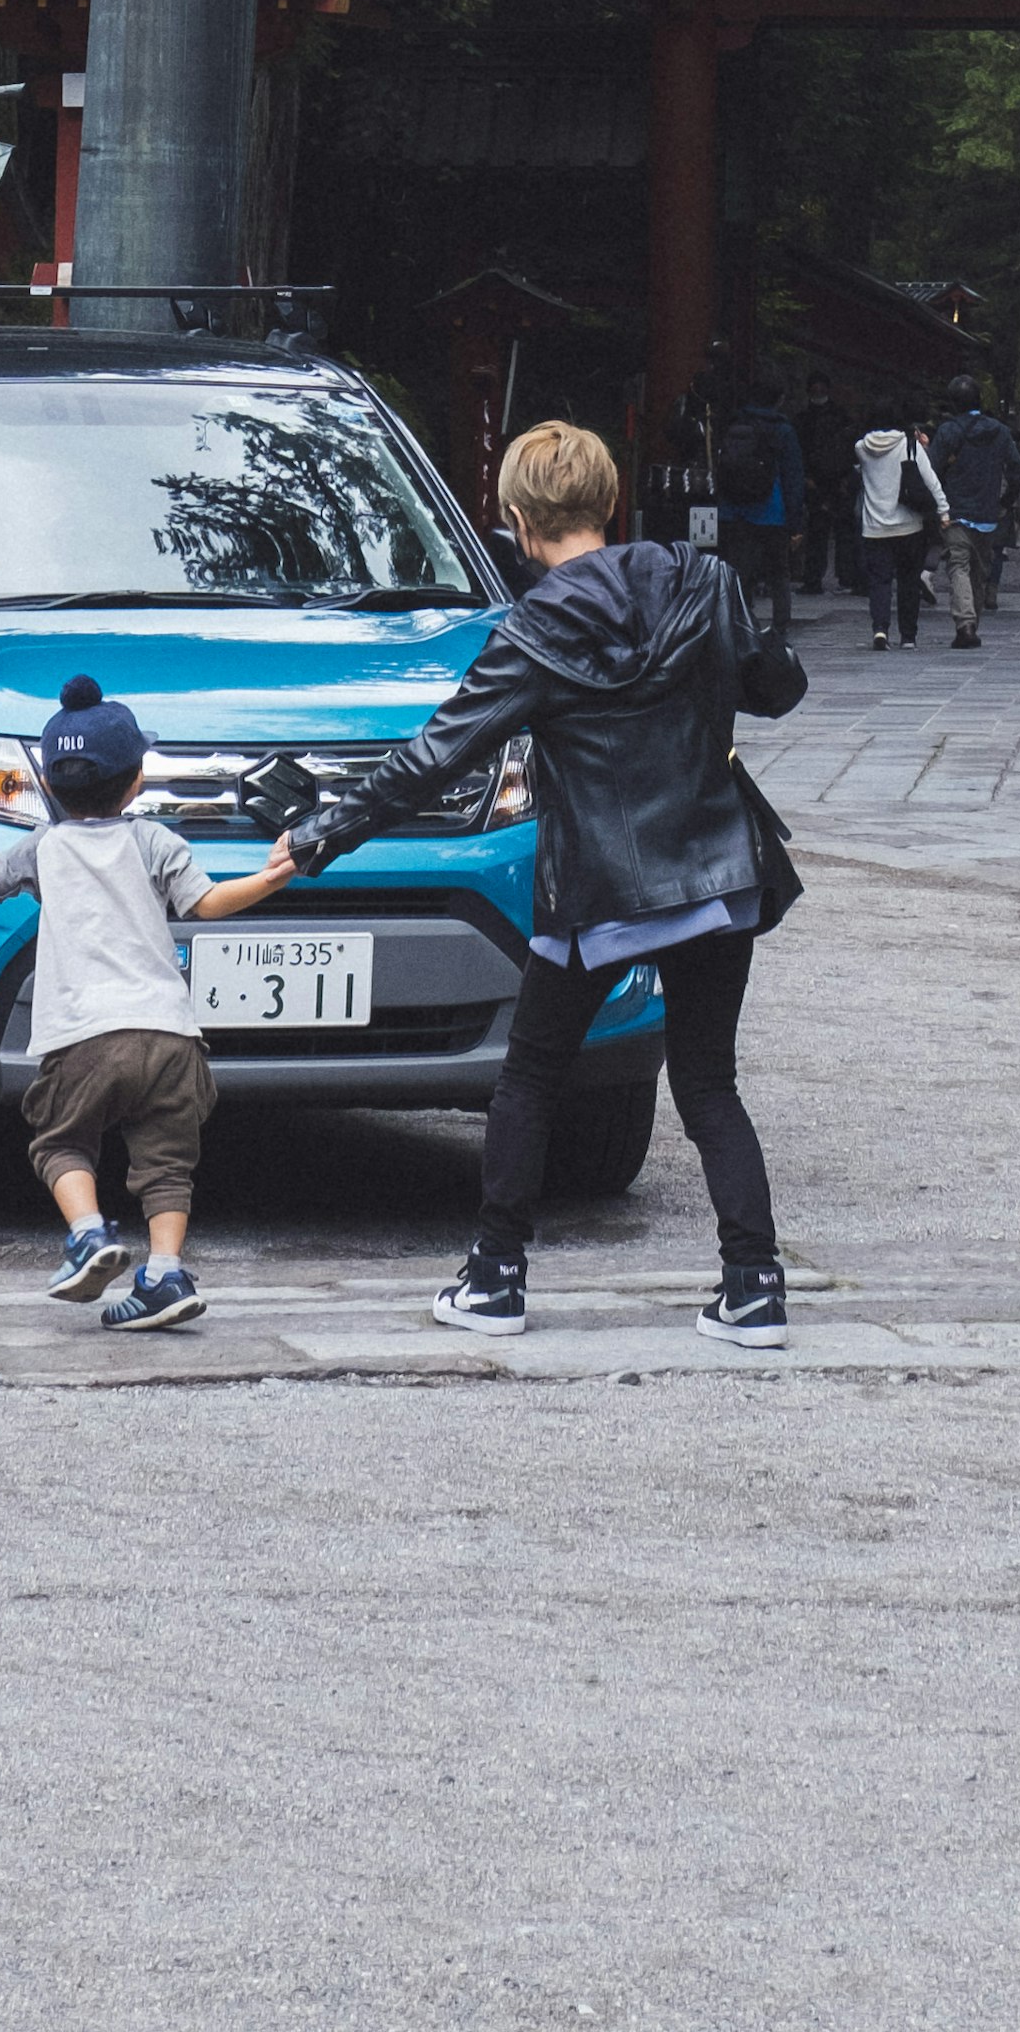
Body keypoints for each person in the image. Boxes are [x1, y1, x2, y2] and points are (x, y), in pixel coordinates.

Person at [265, 415, 808, 1345]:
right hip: (719, 874)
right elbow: (774, 688)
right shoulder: (702, 580)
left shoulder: (532, 630)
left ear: (518, 519)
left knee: (531, 1077)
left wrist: (321, 832)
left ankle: (497, 1277)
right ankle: (754, 1284)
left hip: (603, 889)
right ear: (608, 500)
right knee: (710, 1084)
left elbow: (436, 756)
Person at [0, 673, 295, 1328]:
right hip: (170, 1036)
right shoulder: (152, 840)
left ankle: (90, 1234)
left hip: (83, 1037)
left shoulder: (43, 848)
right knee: (165, 1159)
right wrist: (268, 879)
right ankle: (164, 1273)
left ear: (51, 785)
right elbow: (207, 904)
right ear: (136, 782)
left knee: (61, 1141)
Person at [851, 407, 952, 646]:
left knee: (879, 581)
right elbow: (931, 480)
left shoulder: (861, 449)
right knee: (908, 581)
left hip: (874, 526)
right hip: (909, 526)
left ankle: (880, 630)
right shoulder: (909, 445)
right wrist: (944, 510)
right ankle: (908, 636)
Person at [932, 389, 1020, 643]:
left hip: (955, 509)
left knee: (958, 565)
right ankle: (973, 622)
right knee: (980, 570)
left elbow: (933, 468)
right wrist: (1007, 500)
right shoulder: (1000, 431)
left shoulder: (948, 431)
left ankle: (965, 624)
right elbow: (1016, 468)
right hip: (988, 511)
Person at [714, 379, 799, 643]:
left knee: (739, 571)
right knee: (779, 572)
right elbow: (792, 476)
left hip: (734, 509)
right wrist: (795, 521)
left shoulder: (733, 425)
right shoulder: (783, 430)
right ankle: (780, 628)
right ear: (779, 399)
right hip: (771, 511)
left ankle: (740, 623)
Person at [797, 381, 859, 597]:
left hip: (822, 479)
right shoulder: (842, 419)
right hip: (835, 479)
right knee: (841, 532)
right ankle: (846, 578)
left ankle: (814, 580)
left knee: (820, 532)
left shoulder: (805, 419)